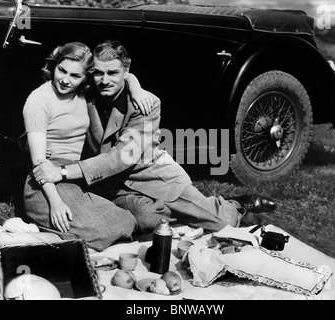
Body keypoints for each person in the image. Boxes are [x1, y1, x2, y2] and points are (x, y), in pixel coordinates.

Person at [32, 40, 276, 235]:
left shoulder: (145, 104)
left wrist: (63, 172)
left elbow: (122, 157)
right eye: (98, 73)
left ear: (126, 70)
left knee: (219, 224)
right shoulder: (86, 96)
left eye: (113, 73)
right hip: (112, 185)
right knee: (149, 222)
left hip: (154, 175)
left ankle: (235, 205)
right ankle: (171, 215)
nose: (104, 80)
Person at [21, 41, 154, 251]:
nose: (65, 80)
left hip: (73, 176)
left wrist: (136, 89)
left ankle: (64, 233)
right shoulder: (38, 100)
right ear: (54, 66)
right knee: (111, 231)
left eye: (75, 76)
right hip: (46, 183)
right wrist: (55, 203)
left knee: (127, 222)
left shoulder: (82, 94)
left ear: (86, 78)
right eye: (61, 70)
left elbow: (121, 73)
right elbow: (40, 164)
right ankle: (40, 230)